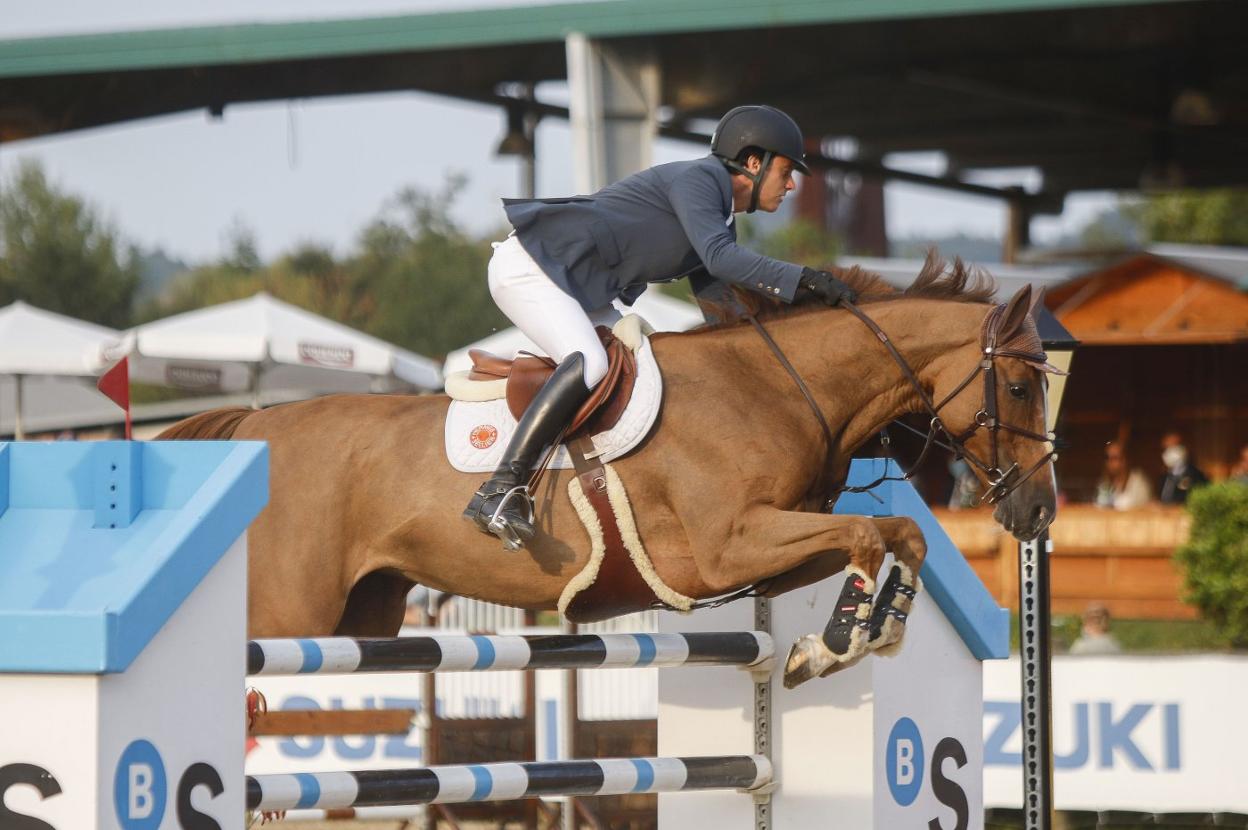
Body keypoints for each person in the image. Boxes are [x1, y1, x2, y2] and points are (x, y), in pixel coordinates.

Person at [463, 105, 858, 550]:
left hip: (571, 284)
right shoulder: (700, 181)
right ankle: (498, 490)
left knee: (646, 365)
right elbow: (720, 261)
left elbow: (725, 313)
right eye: (786, 171)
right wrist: (805, 278)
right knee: (591, 362)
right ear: (753, 162)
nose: (791, 185)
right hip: (532, 268)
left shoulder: (719, 215)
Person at [1093, 441, 1151, 510]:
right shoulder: (1104, 483)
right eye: (1107, 458)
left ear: (1124, 460)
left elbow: (1146, 509)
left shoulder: (1138, 483)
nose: (1110, 462)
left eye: (1114, 458)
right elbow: (1098, 507)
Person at [1158, 432, 1208, 505]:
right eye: (1166, 448)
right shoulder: (1165, 477)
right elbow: (1163, 499)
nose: (1170, 452)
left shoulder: (1196, 475)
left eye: (1173, 447)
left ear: (1184, 448)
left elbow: (1200, 501)